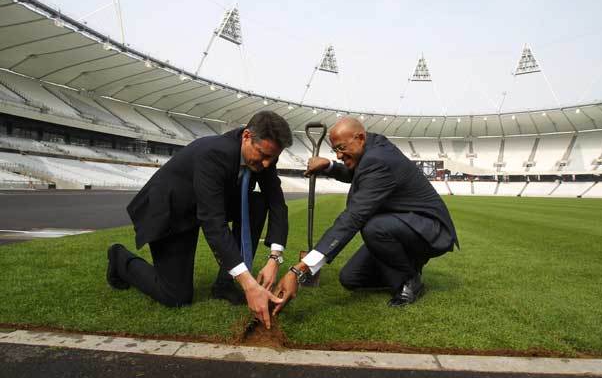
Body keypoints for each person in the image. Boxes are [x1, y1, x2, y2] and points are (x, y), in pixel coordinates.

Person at [106, 111, 292, 329]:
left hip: (203, 206)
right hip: (171, 210)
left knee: (256, 203)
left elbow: (277, 204)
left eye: (273, 158)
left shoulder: (263, 158)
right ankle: (120, 259)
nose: (268, 164)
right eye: (263, 155)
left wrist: (274, 259)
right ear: (247, 136)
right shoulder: (214, 153)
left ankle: (224, 285)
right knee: (176, 296)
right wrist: (249, 284)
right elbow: (213, 222)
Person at [274, 116, 458, 312]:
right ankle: (405, 265)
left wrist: (300, 269)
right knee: (351, 278)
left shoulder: (378, 159)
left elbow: (353, 218)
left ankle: (409, 280)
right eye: (335, 150)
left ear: (360, 138)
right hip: (403, 225)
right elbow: (357, 173)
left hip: (428, 230)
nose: (338, 155)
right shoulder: (372, 146)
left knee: (374, 227)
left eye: (341, 148)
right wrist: (328, 166)